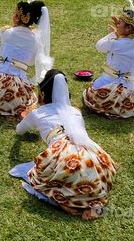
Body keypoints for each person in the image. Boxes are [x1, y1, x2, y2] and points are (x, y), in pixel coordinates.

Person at [10, 69, 117, 220]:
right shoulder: (75, 112)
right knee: (85, 173)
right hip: (91, 155)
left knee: (42, 177)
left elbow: (19, 130)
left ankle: (67, 205)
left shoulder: (38, 113)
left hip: (63, 156)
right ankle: (93, 201)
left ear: (43, 92)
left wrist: (30, 114)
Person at [82, 0, 134, 119]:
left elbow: (99, 45)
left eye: (120, 23)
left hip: (110, 81)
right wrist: (120, 32)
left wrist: (114, 34)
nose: (117, 24)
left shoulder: (119, 43)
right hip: (130, 86)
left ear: (128, 28)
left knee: (91, 93)